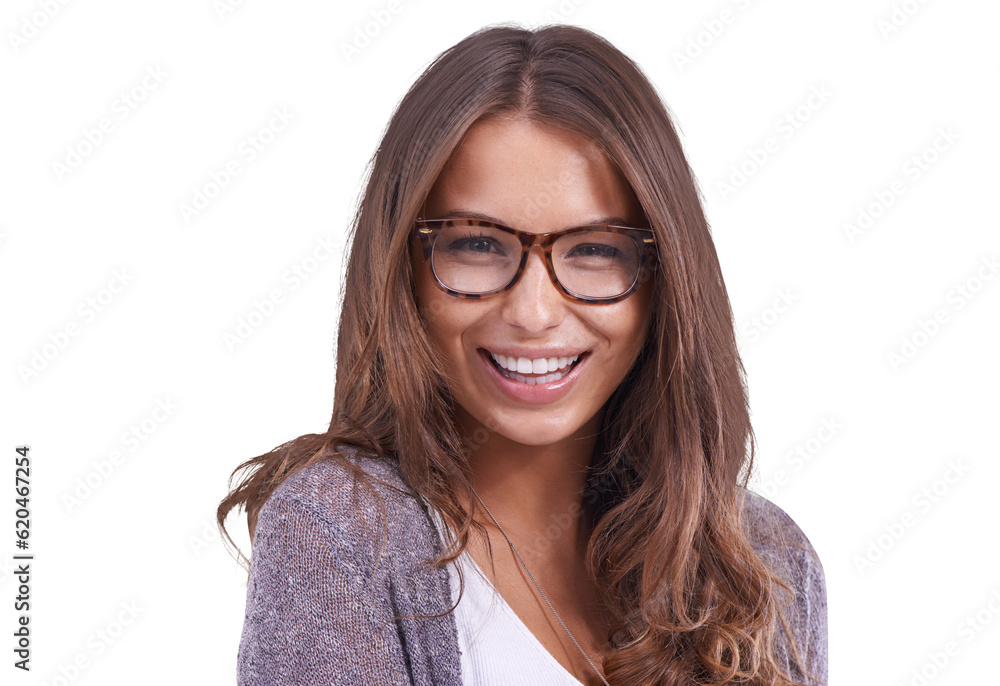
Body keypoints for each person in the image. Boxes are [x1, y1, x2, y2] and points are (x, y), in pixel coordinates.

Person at [218, 23, 828, 686]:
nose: (534, 312)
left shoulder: (765, 562)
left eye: (595, 249)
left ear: (663, 278)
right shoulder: (340, 533)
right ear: (404, 271)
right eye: (476, 244)